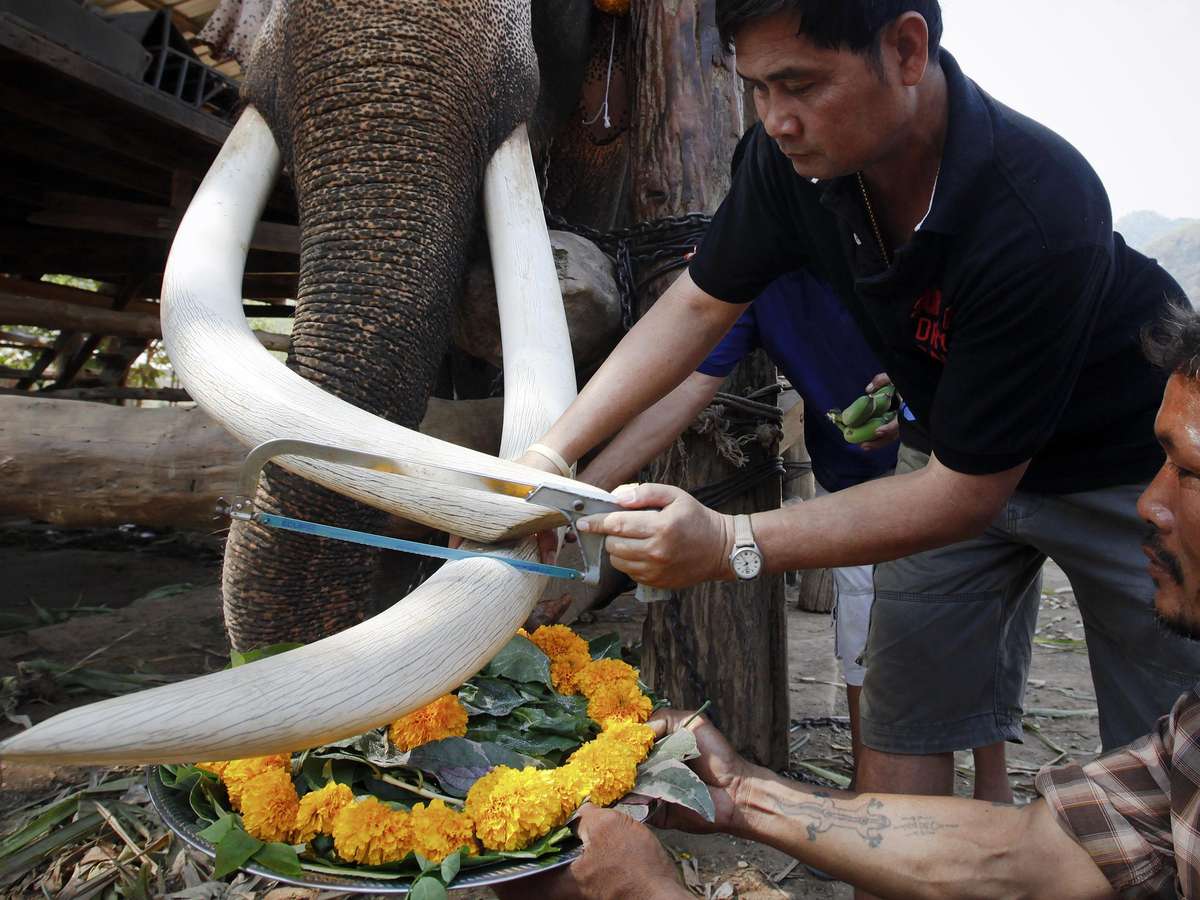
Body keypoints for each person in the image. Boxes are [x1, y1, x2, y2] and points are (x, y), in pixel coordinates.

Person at [514, 0, 1199, 866]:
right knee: (901, 727)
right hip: (947, 454)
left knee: (1166, 764)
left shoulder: (1038, 204)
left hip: (1123, 476)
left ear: (906, 49)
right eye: (757, 88)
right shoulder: (789, 165)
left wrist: (731, 541)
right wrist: (550, 461)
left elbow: (965, 496)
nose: (776, 119)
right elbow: (696, 306)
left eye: (799, 85)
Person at [516, 302, 1200, 899]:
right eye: (1162, 464)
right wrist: (743, 794)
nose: (1148, 503)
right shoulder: (1186, 746)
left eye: (1189, 472)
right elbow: (1031, 851)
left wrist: (651, 891)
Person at [578, 268, 1012, 800]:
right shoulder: (752, 270)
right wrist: (580, 489)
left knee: (982, 617)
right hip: (851, 482)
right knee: (866, 633)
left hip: (958, 465)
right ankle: (870, 791)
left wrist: (920, 403)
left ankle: (993, 785)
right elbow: (689, 385)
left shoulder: (905, 245)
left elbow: (982, 345)